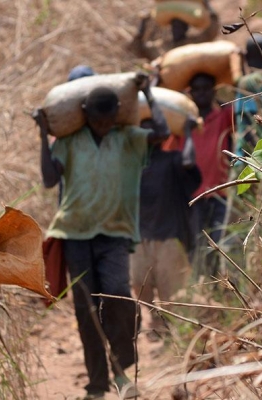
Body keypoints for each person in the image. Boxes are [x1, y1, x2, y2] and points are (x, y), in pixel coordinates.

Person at [34, 74, 169, 400]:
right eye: (98, 120)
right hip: (75, 234)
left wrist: (149, 93)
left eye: (109, 120)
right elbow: (50, 180)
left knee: (118, 296)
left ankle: (121, 372)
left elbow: (163, 132)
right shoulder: (69, 142)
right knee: (87, 310)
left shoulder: (128, 137)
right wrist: (42, 133)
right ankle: (96, 385)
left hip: (115, 233)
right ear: (85, 113)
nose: (104, 126)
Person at [130, 115, 201, 341]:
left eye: (154, 130)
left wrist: (188, 132)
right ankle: (156, 320)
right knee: (141, 285)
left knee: (171, 289)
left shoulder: (173, 160)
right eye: (144, 131)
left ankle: (173, 331)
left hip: (169, 236)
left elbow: (189, 162)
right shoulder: (131, 165)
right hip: (140, 236)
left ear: (163, 136)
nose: (149, 136)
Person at [162, 73, 234, 276]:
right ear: (189, 93)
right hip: (191, 198)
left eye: (206, 88)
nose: (202, 93)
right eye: (197, 89)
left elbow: (239, 109)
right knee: (196, 245)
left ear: (214, 91)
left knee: (220, 242)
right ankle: (203, 289)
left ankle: (221, 287)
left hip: (219, 193)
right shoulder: (181, 125)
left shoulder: (222, 116)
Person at [129, 0, 221, 60]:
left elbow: (210, 33)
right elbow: (138, 49)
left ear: (186, 28)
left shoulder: (194, 43)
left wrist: (208, 8)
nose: (177, 29)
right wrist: (143, 24)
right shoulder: (161, 47)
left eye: (181, 25)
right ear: (171, 27)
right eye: (175, 25)